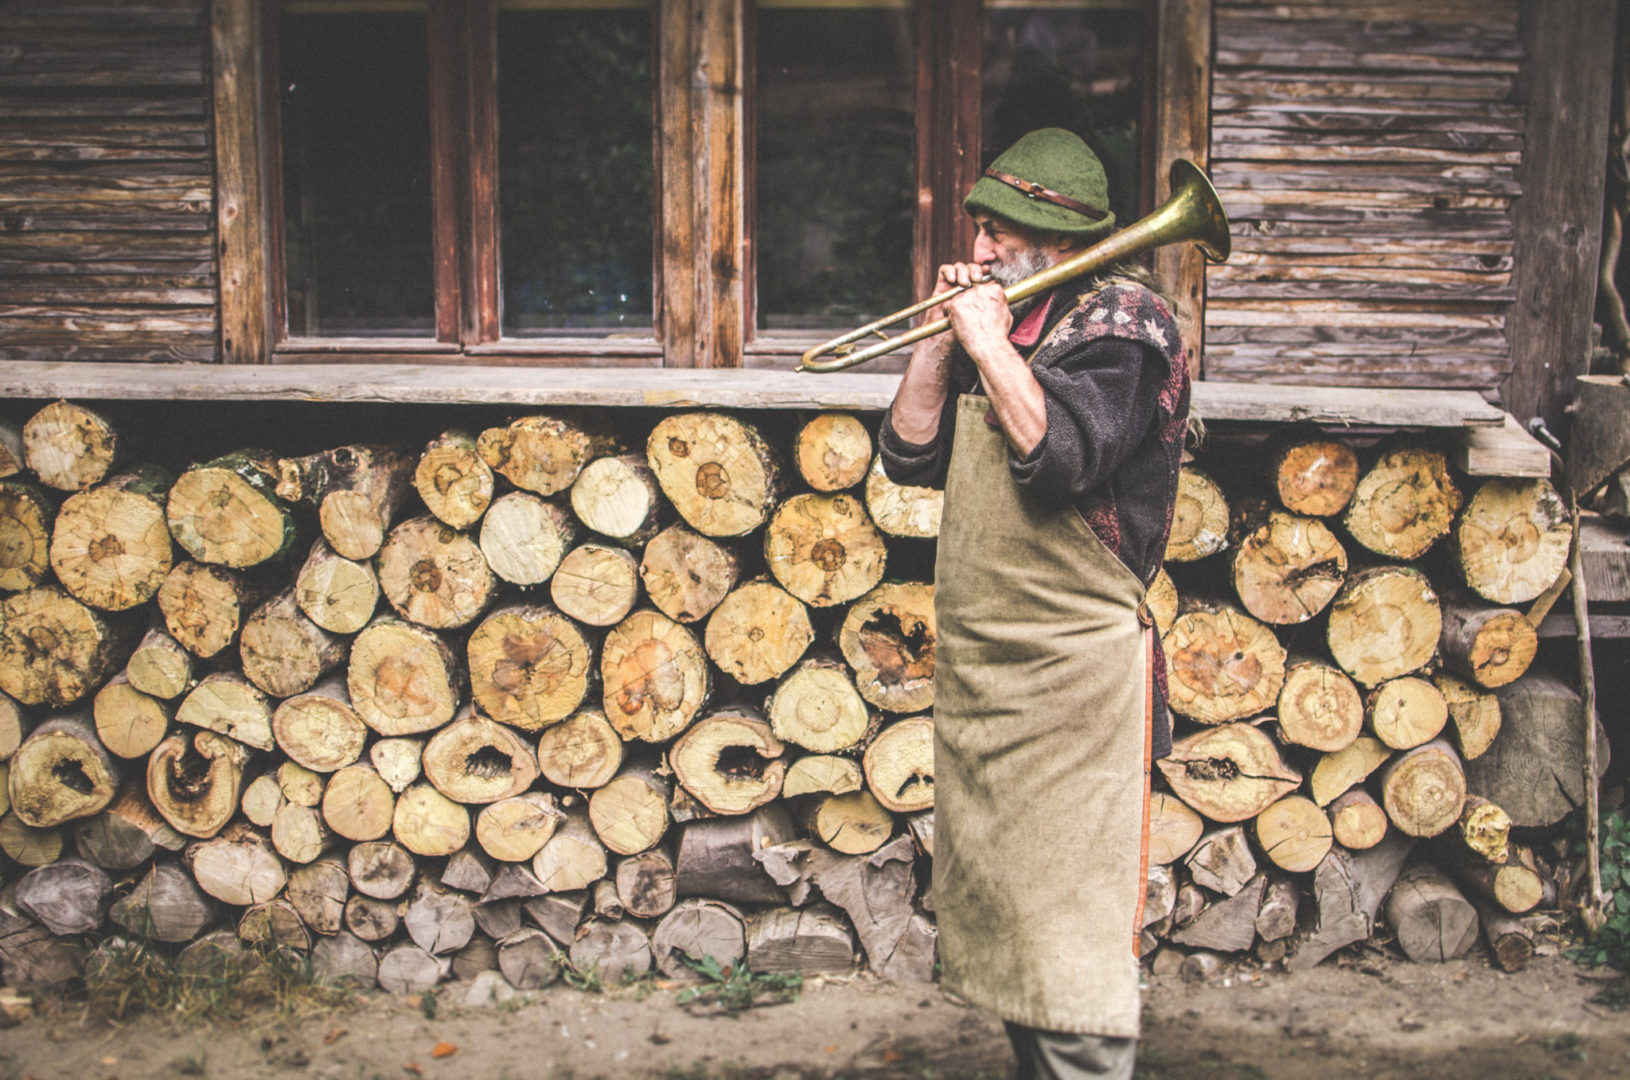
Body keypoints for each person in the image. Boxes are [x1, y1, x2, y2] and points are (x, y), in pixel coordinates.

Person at [878, 127, 1189, 1080]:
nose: (975, 251)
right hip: (990, 676)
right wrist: (940, 347)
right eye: (977, 227)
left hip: (1074, 681)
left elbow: (1060, 461)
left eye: (996, 233)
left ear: (1052, 236)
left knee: (1070, 939)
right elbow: (907, 455)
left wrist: (984, 341)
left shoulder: (1123, 324)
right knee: (1012, 923)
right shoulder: (1008, 319)